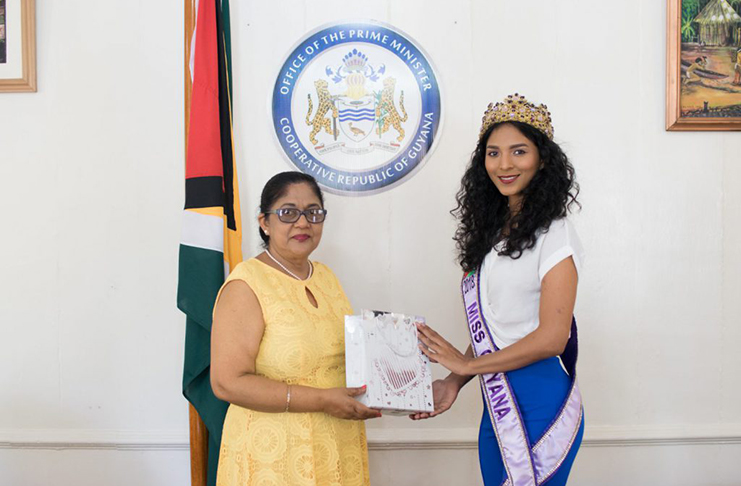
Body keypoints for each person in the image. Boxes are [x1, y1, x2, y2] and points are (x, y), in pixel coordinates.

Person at [411, 94, 585, 486]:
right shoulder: (491, 237)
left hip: (541, 400)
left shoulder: (555, 234)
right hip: (496, 401)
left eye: (518, 151)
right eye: (493, 153)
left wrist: (466, 365)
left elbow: (551, 339)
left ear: (543, 159)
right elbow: (497, 329)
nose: (504, 164)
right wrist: (454, 382)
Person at [211, 171, 380, 486]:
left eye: (313, 213)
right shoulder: (247, 284)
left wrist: (400, 376)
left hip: (336, 446)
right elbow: (227, 383)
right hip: (273, 458)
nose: (303, 223)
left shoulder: (327, 277)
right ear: (265, 222)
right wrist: (321, 400)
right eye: (288, 213)